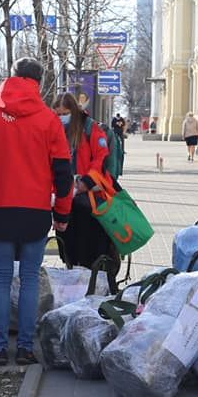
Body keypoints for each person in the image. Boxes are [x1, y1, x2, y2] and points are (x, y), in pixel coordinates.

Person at [0, 58, 73, 367]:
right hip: (35, 211)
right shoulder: (48, 119)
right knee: (28, 279)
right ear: (38, 83)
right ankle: (25, 347)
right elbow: (63, 173)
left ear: (11, 77)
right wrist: (62, 215)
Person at [54, 94, 120, 291]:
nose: (61, 117)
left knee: (91, 249)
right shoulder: (54, 130)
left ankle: (96, 288)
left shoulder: (90, 128)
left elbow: (100, 158)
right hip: (66, 200)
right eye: (57, 114)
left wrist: (85, 182)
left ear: (74, 111)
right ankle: (76, 287)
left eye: (65, 113)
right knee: (69, 249)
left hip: (90, 200)